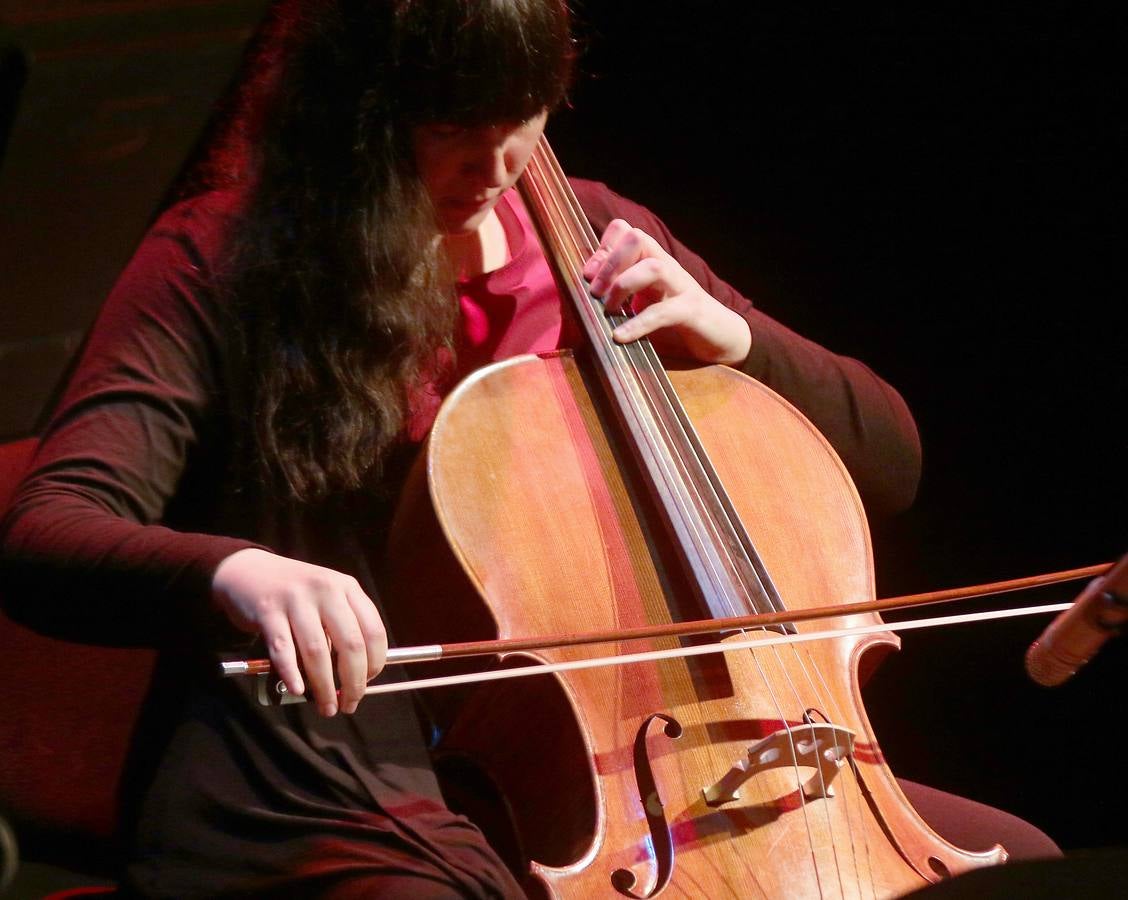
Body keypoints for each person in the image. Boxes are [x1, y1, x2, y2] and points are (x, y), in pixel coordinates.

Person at [0, 1, 1057, 896]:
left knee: (1027, 866)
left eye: (527, 113)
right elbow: (45, 531)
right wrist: (236, 570)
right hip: (326, 782)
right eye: (458, 122)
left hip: (619, 766)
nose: (502, 163)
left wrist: (736, 339)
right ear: (359, 113)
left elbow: (893, 457)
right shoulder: (221, 261)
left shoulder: (589, 234)